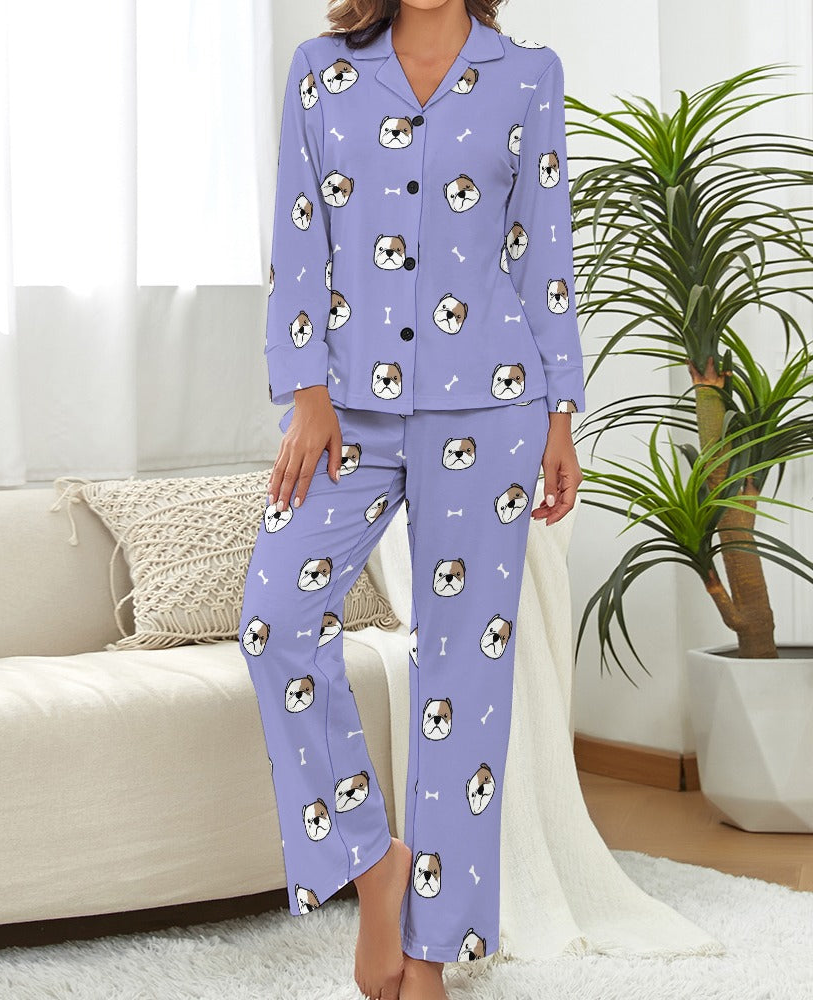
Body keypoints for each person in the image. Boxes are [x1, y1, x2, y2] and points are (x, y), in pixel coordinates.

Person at [238, 1, 584, 997]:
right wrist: (305, 392)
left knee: (461, 676)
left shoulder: (527, 74)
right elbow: (298, 234)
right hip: (346, 406)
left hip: (494, 402)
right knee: (274, 619)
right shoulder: (324, 70)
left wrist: (561, 412)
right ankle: (372, 862)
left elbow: (543, 250)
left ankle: (429, 959)